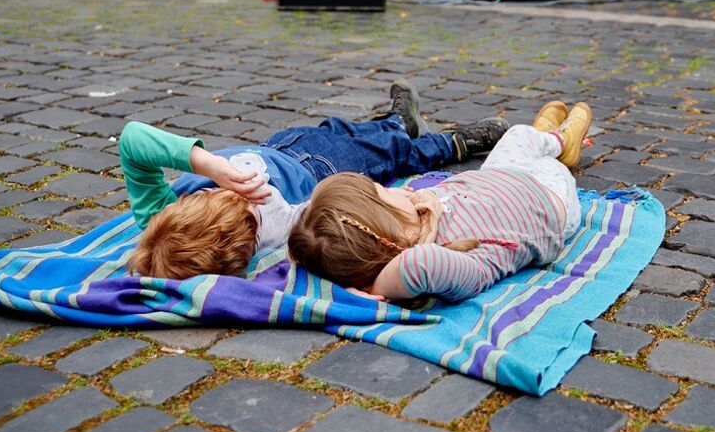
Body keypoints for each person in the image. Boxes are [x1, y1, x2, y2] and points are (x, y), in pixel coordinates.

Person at [124, 82, 510, 279]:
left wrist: (210, 166)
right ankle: (451, 142)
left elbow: (132, 139)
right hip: (318, 169)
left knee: (342, 130)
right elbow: (333, 218)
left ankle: (396, 122)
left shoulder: (159, 213)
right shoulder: (277, 227)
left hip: (282, 146)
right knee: (389, 154)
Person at [289, 101, 592, 303]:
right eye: (385, 193)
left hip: (498, 173)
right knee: (536, 150)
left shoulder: (416, 213)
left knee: (518, 135)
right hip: (549, 196)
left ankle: (553, 139)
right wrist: (375, 288)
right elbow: (416, 264)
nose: (394, 189)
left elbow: (313, 226)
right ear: (389, 229)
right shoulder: (446, 256)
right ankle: (561, 144)